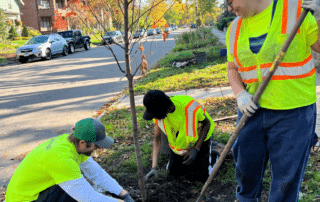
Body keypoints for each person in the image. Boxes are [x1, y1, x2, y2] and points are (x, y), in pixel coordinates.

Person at [226, 0, 320, 201]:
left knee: (285, 181)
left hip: (293, 112)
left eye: (229, 1)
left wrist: (319, 16)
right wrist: (240, 94)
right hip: (251, 110)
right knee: (245, 169)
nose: (228, 8)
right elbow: (232, 68)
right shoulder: (234, 26)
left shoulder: (296, 9)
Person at [5, 118, 134, 202]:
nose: (99, 148)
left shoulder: (71, 143)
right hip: (25, 199)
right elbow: (87, 198)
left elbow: (95, 172)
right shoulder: (62, 158)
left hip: (35, 192)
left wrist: (123, 194)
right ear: (83, 143)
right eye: (97, 145)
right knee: (74, 192)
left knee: (77, 182)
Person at [142, 90, 227, 182]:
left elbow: (206, 123)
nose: (154, 117)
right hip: (181, 142)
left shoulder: (189, 107)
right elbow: (157, 140)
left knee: (202, 178)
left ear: (164, 110)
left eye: (154, 114)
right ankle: (193, 155)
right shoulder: (159, 114)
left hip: (200, 138)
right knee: (174, 173)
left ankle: (214, 152)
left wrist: (196, 148)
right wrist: (154, 167)